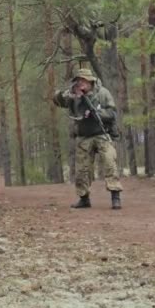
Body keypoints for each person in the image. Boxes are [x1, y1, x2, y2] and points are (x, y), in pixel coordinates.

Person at [53, 68, 123, 209]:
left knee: (110, 162)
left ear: (90, 81)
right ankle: (84, 198)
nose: (81, 83)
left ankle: (115, 196)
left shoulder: (103, 93)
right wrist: (67, 93)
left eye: (83, 80)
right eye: (78, 81)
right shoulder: (74, 95)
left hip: (102, 133)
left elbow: (112, 113)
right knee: (82, 170)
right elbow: (58, 101)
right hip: (84, 136)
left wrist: (96, 113)